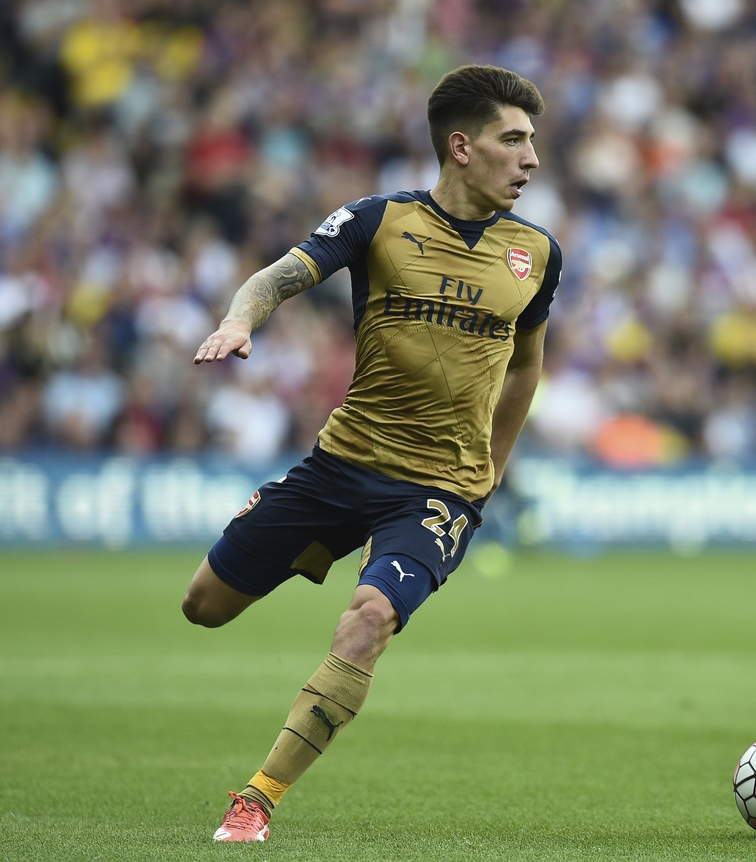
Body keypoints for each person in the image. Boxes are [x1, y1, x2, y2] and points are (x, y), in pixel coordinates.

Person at [182, 64, 560, 843]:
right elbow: (278, 276)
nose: (531, 159)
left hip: (438, 491)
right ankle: (311, 542)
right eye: (512, 139)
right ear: (461, 147)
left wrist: (492, 467)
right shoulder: (379, 220)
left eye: (532, 142)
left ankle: (256, 799)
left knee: (368, 618)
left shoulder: (537, 254)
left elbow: (526, 364)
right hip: (341, 465)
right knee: (204, 608)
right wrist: (239, 320)